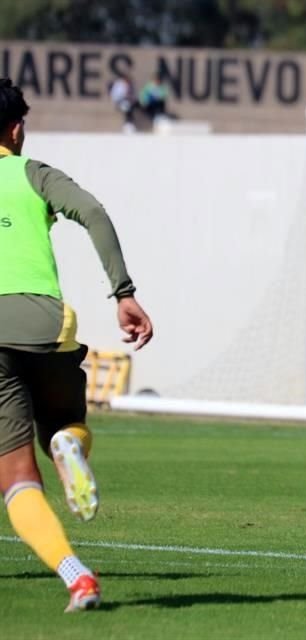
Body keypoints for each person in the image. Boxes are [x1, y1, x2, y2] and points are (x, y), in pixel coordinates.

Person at [0, 78, 154, 612]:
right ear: (16, 128)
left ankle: (77, 576)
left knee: (18, 479)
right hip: (47, 325)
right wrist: (124, 293)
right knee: (66, 427)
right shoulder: (32, 172)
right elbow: (93, 212)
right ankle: (69, 446)